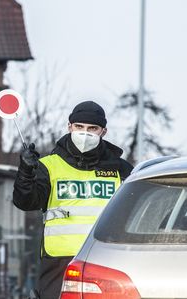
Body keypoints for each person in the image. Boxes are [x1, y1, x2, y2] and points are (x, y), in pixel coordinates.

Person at [13, 101, 133, 299]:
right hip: (58, 263)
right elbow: (25, 202)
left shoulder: (121, 170)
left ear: (103, 131)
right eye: (79, 127)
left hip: (106, 260)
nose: (85, 133)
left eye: (92, 128)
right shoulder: (48, 166)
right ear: (70, 127)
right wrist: (26, 172)